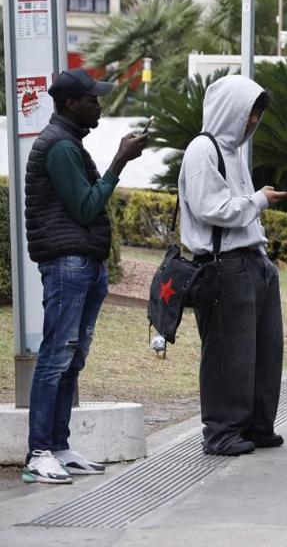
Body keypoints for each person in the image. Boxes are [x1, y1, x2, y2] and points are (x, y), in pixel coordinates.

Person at [21, 69, 148, 484]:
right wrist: (119, 161)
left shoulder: (69, 143)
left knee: (71, 359)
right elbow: (86, 207)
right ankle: (39, 452)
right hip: (67, 264)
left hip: (83, 264)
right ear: (71, 104)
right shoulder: (58, 147)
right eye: (93, 99)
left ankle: (58, 445)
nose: (100, 105)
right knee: (56, 357)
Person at [178, 75, 287, 456]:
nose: (253, 120)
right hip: (224, 264)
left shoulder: (234, 152)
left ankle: (257, 425)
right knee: (229, 352)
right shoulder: (202, 150)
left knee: (265, 348)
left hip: (253, 261)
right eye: (249, 112)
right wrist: (259, 201)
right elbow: (212, 209)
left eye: (257, 113)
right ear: (230, 109)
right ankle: (223, 431)